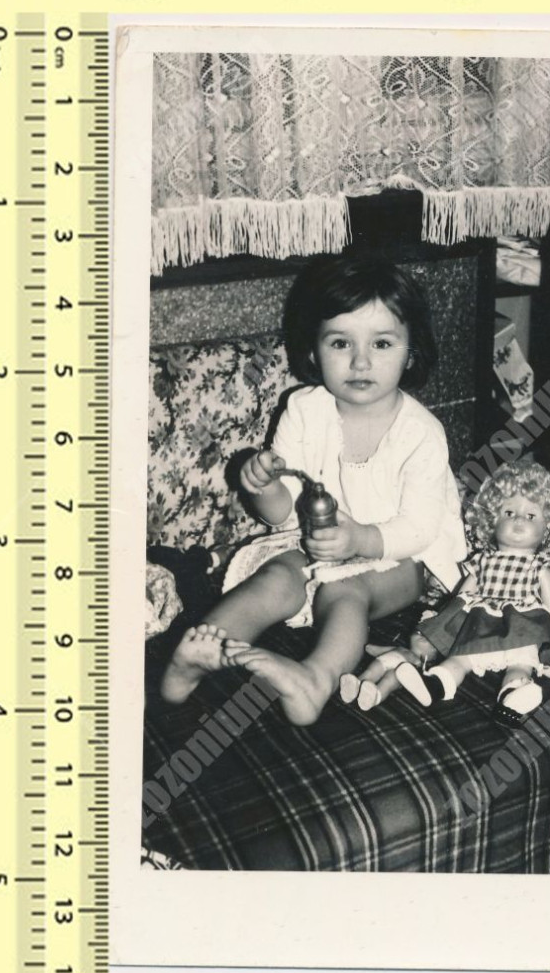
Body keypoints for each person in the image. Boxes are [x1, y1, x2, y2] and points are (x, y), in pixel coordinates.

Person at [160, 255, 467, 725]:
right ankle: (201, 651)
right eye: (340, 342)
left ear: (411, 352)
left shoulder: (421, 433)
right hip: (317, 545)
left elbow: (421, 529)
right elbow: (283, 517)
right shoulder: (304, 409)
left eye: (382, 343)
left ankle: (314, 681)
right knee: (276, 575)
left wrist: (359, 541)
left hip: (403, 557)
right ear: (314, 349)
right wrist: (263, 488)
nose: (360, 361)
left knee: (345, 589)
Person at [393, 461, 550, 725]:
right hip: (480, 625)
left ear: (547, 528)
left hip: (522, 628)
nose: (519, 520)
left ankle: (513, 696)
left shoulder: (539, 568)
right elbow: (461, 598)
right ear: (492, 521)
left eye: (531, 516)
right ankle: (437, 684)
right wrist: (443, 622)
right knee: (460, 658)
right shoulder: (482, 561)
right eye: (509, 512)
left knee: (521, 663)